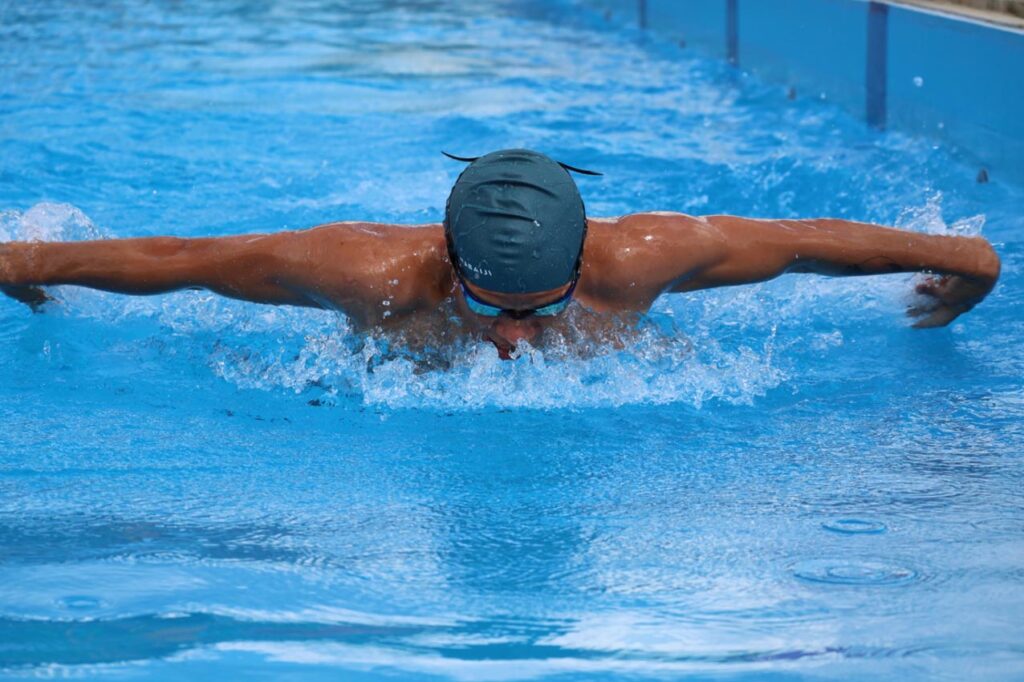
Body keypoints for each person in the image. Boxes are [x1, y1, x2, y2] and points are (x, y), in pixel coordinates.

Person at [0, 149, 1001, 359]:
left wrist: (971, 261)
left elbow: (802, 245)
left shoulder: (639, 259)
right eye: (487, 309)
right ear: (448, 264)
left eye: (540, 306)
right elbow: (184, 257)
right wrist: (33, 265)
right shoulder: (365, 274)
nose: (513, 339)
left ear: (584, 264)